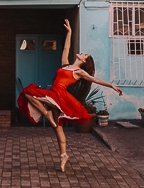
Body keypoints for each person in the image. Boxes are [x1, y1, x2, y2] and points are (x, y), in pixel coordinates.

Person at [17, 19, 123, 173]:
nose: (81, 53)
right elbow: (66, 47)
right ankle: (64, 155)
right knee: (56, 127)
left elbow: (95, 79)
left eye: (84, 54)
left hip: (59, 95)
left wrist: (111, 85)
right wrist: (70, 32)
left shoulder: (79, 72)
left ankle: (47, 114)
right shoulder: (66, 64)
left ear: (83, 61)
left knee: (28, 92)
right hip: (54, 94)